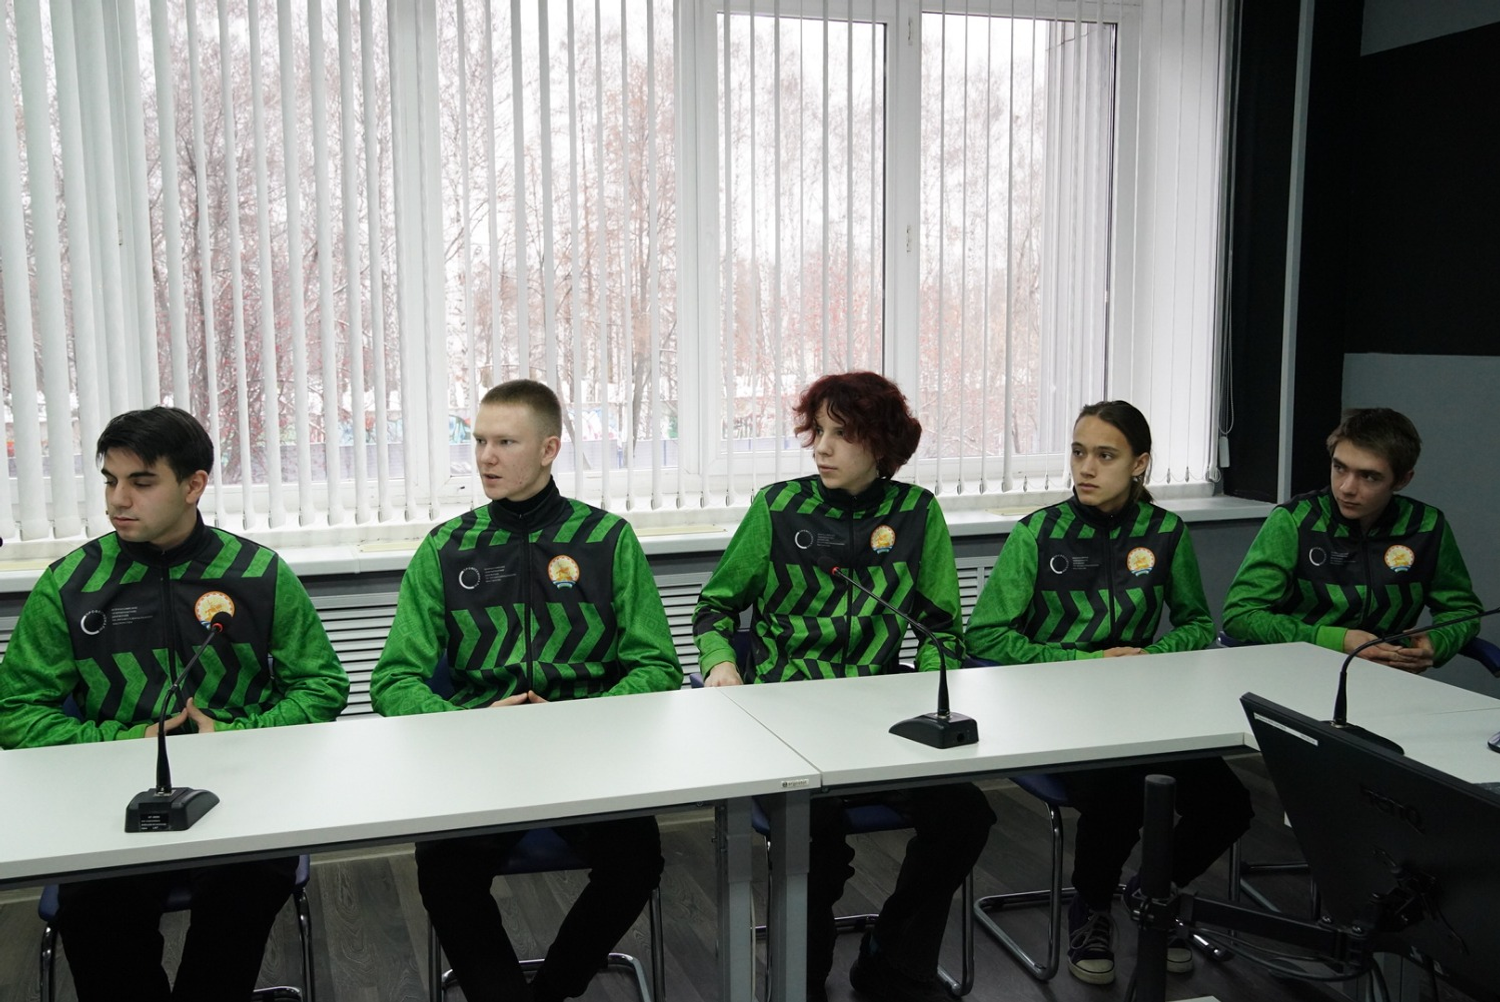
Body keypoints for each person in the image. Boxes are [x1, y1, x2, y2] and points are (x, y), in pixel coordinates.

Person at [0, 406, 348, 1001]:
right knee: (96, 911)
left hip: (244, 791)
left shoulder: (257, 572)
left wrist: (237, 733)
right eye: (110, 481)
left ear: (193, 485)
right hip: (108, 800)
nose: (118, 500)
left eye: (141, 482)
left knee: (245, 890)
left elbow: (321, 685)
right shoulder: (70, 583)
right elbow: (17, 710)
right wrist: (125, 741)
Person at [371, 379, 682, 1002]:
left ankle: (553, 991)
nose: (485, 457)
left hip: (588, 753)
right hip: (482, 753)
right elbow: (393, 680)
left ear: (548, 449)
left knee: (636, 860)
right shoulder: (446, 547)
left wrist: (580, 718)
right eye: (479, 441)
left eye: (505, 443)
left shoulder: (607, 539)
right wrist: (471, 720)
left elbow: (657, 665)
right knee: (442, 869)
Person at [694, 371, 995, 1002]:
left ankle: (892, 959)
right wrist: (722, 664)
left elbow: (941, 628)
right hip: (786, 720)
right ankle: (800, 979)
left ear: (880, 444)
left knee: (965, 817)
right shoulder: (779, 508)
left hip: (884, 720)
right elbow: (715, 607)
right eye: (818, 432)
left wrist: (935, 679)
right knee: (815, 843)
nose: (821, 448)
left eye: (841, 434)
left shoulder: (916, 513)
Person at [966, 400, 1251, 986]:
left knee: (1229, 804)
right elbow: (986, 635)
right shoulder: (1038, 533)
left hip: (1144, 709)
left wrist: (1152, 656)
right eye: (1078, 452)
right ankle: (1091, 908)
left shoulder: (1166, 532)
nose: (1086, 468)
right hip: (1056, 712)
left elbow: (1198, 623)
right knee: (1120, 790)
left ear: (1139, 463)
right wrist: (1083, 661)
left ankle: (1154, 893)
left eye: (1105, 455)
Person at [1223, 407, 1481, 669]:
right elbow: (1241, 615)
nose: (1346, 488)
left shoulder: (1426, 526)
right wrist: (1335, 640)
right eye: (1339, 468)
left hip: (1388, 675)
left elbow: (1462, 611)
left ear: (1402, 480)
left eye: (1369, 476)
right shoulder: (1294, 520)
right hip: (1296, 670)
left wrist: (1438, 642)